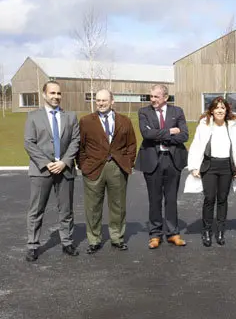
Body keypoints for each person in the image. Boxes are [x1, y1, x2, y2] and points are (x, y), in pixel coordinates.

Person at [24, 80, 80, 261]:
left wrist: (64, 162)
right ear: (44, 95)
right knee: (36, 210)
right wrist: (46, 163)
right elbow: (29, 143)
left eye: (59, 93)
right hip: (42, 171)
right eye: (52, 93)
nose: (56, 97)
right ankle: (33, 245)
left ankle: (67, 242)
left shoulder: (70, 117)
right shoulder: (33, 116)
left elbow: (75, 141)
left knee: (66, 210)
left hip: (65, 170)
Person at [77, 89, 137, 254]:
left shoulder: (125, 121)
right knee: (92, 206)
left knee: (118, 206)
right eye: (98, 101)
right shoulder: (86, 121)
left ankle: (117, 238)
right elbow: (80, 146)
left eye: (104, 100)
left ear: (112, 101)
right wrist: (83, 165)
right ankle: (94, 240)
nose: (101, 103)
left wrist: (128, 162)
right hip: (93, 168)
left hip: (117, 167)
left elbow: (131, 144)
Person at [135, 84, 189, 249]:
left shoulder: (177, 111)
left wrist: (161, 135)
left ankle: (173, 234)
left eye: (156, 97)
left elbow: (184, 135)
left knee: (171, 199)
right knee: (155, 199)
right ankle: (155, 234)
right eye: (151, 96)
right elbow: (146, 134)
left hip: (173, 160)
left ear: (165, 97)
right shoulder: (144, 112)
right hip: (153, 160)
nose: (152, 100)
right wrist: (170, 132)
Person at [187, 96, 236, 247]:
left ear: (226, 110)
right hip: (209, 166)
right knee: (209, 198)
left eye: (222, 108)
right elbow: (196, 145)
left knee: (222, 199)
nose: (220, 110)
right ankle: (207, 231)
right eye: (217, 108)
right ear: (211, 110)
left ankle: (221, 231)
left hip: (226, 166)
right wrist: (193, 166)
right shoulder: (204, 126)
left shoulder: (233, 125)